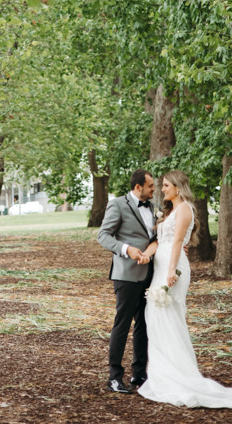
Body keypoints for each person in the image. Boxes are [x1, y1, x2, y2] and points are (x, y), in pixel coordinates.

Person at [136, 170, 232, 408]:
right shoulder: (171, 210)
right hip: (162, 266)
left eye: (167, 185)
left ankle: (178, 374)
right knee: (157, 316)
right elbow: (164, 240)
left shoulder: (185, 209)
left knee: (168, 317)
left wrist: (170, 271)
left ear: (178, 187)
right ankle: (162, 373)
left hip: (172, 269)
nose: (163, 189)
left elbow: (178, 241)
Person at [97, 169, 156, 394]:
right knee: (122, 325)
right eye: (150, 186)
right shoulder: (118, 204)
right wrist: (126, 249)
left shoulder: (152, 207)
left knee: (144, 324)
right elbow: (103, 235)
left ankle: (139, 374)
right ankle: (114, 377)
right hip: (126, 275)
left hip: (151, 273)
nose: (154, 189)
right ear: (138, 187)